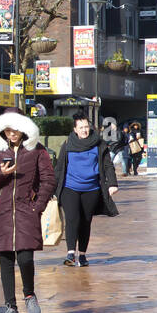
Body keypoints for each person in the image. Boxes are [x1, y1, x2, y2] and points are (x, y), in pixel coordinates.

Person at [0, 111, 57, 313]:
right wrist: (2, 174)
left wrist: (37, 207)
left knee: (25, 258)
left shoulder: (37, 150)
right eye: (7, 129)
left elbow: (48, 180)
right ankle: (10, 307)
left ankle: (29, 295)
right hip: (1, 212)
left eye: (14, 129)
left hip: (26, 211)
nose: (11, 133)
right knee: (5, 260)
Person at [53, 113, 120, 267]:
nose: (84, 130)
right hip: (70, 187)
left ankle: (82, 255)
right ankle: (70, 253)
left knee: (85, 221)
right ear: (75, 129)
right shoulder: (68, 143)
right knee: (72, 219)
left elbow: (107, 165)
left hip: (91, 188)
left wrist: (113, 184)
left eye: (86, 127)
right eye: (81, 127)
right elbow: (59, 168)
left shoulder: (99, 144)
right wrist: (53, 188)